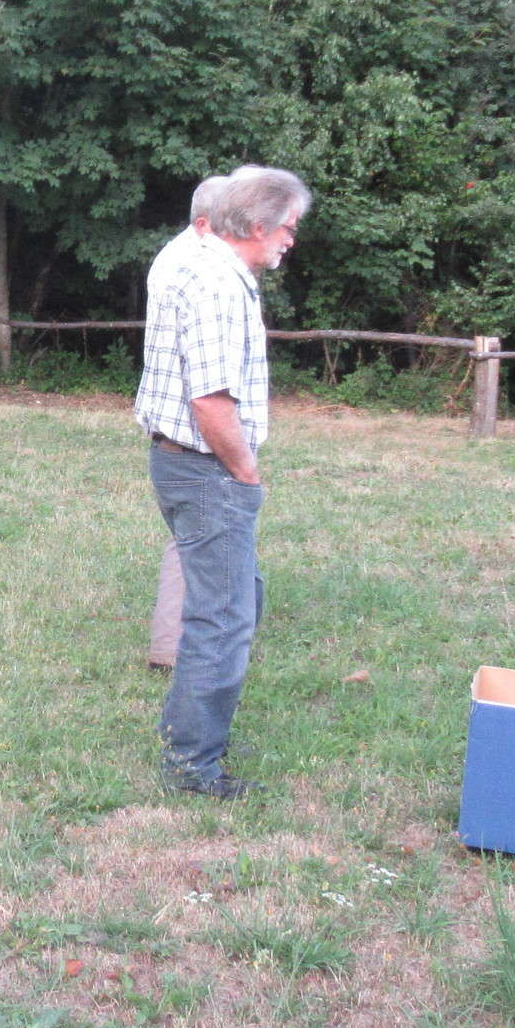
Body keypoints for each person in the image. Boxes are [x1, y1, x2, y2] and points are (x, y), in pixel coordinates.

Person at [134, 165, 310, 798]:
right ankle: (192, 764)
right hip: (207, 469)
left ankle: (197, 731)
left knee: (236, 600)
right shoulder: (218, 282)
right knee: (223, 618)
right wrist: (245, 471)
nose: (291, 239)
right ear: (258, 225)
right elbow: (210, 401)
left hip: (186, 463)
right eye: (288, 227)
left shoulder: (205, 263)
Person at [147, 173, 235, 672]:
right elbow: (207, 390)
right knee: (195, 546)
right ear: (206, 222)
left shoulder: (174, 256)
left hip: (175, 437)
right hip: (195, 440)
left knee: (204, 541)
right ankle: (176, 652)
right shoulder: (200, 270)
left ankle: (214, 637)